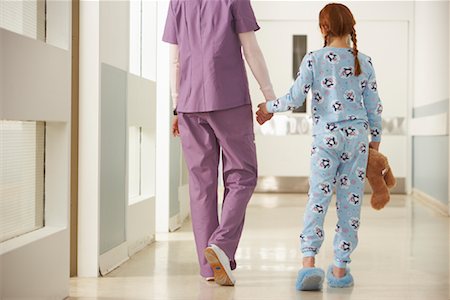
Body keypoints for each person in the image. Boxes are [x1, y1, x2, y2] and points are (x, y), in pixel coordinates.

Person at [257, 3, 383, 291]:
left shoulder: (314, 59)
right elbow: (374, 108)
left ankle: (308, 265)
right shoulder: (364, 61)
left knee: (318, 199)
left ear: (323, 28)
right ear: (351, 27)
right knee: (350, 204)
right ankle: (339, 269)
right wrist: (374, 144)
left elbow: (293, 97)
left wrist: (268, 107)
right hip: (357, 140)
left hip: (326, 139)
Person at [163, 0, 275, 286]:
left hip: (189, 104)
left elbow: (174, 58)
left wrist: (177, 106)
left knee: (201, 184)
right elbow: (251, 48)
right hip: (229, 99)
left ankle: (209, 267)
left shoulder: (178, 2)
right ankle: (222, 246)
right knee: (242, 176)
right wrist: (269, 94)